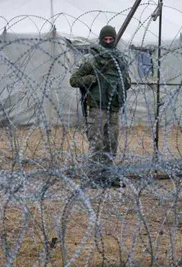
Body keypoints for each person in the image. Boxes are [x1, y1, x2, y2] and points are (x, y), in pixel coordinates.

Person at [69, 25, 131, 187]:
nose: (109, 41)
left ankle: (108, 175)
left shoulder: (119, 59)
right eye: (106, 39)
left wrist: (121, 84)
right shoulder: (92, 58)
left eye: (111, 39)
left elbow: (128, 81)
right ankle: (94, 176)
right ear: (101, 39)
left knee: (111, 143)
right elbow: (74, 80)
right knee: (97, 143)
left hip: (114, 108)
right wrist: (94, 78)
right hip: (97, 107)